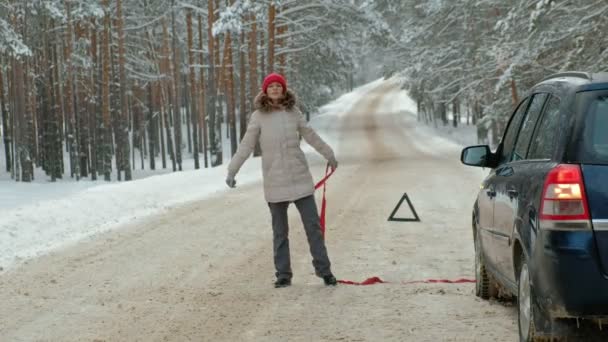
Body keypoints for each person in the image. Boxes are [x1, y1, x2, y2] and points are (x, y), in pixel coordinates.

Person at [225, 73, 339, 288]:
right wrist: (232, 171)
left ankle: (325, 271)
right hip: (275, 182)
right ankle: (283, 274)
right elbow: (246, 145)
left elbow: (311, 135)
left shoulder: (294, 113)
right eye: (272, 86)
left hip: (300, 179)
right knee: (280, 232)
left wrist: (329, 155)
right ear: (265, 90)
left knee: (313, 227)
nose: (275, 89)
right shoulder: (258, 116)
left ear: (284, 89)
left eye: (279, 86)